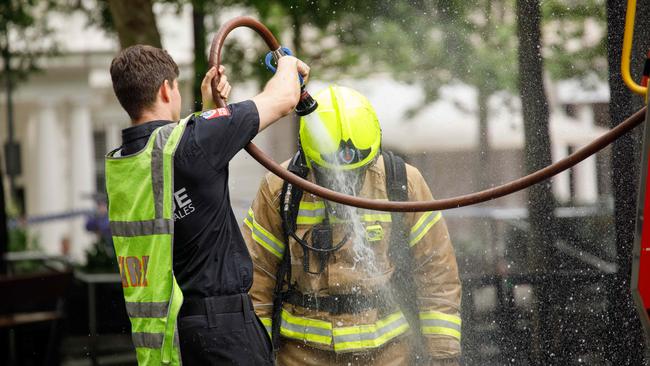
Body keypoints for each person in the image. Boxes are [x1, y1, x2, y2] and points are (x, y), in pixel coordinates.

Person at [105, 44, 309, 365]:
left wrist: (211, 112)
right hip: (225, 331)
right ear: (166, 89)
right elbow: (283, 99)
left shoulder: (123, 165)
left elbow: (181, 174)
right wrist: (286, 64)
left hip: (173, 337)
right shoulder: (195, 143)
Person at [243, 85, 462, 365]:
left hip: (387, 354)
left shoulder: (403, 183)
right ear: (310, 157)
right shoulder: (281, 189)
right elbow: (256, 279)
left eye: (358, 171)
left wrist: (444, 355)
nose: (343, 183)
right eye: (329, 173)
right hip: (301, 355)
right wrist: (255, 355)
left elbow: (436, 272)